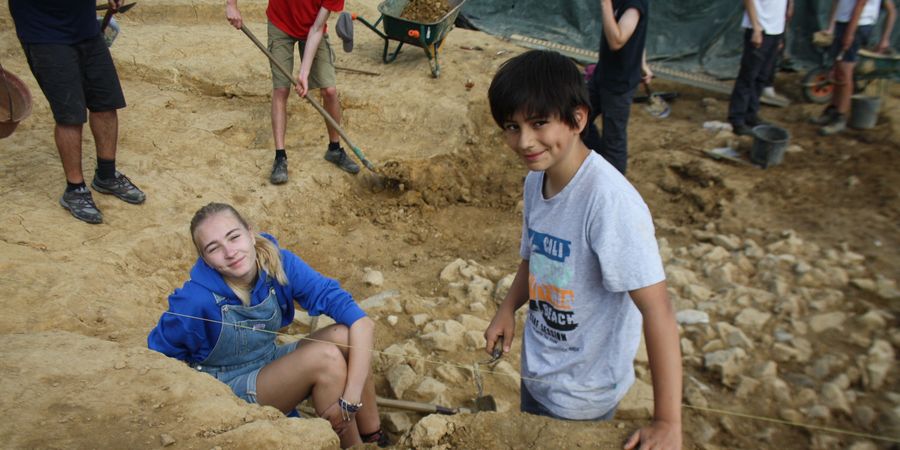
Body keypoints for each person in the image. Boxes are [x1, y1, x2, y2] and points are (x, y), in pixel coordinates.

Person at [484, 50, 682, 449]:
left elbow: (656, 308)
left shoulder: (609, 202)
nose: (524, 141)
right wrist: (508, 308)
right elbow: (534, 257)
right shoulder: (535, 181)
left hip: (582, 393)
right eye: (511, 126)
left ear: (578, 118)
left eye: (539, 123)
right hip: (539, 370)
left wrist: (667, 421)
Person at [147, 203, 388, 448]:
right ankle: (354, 445)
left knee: (345, 336)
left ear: (250, 234)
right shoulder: (194, 301)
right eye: (214, 248)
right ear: (206, 260)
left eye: (234, 237)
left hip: (268, 360)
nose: (230, 252)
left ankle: (374, 435)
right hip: (228, 387)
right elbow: (156, 359)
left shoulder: (277, 263)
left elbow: (361, 323)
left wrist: (350, 398)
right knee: (326, 360)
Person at [8, 0, 146, 224]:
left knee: (106, 103)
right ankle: (75, 189)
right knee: (70, 115)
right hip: (44, 34)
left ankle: (107, 174)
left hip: (86, 29)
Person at [225, 0, 360, 184]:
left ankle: (334, 149)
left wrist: (304, 73)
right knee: (281, 89)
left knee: (329, 90)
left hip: (312, 28)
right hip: (280, 23)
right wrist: (231, 5)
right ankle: (280, 157)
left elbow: (317, 28)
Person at [583, 0, 652, 175]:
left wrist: (605, 4)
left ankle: (613, 185)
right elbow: (636, 34)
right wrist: (642, 64)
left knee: (613, 141)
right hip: (602, 74)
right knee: (576, 116)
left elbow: (617, 40)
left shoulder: (634, 4)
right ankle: (596, 161)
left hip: (619, 84)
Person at [812, 0, 896, 135]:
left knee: (845, 71)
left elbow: (861, 4)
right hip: (843, 23)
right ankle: (833, 110)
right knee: (839, 70)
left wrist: (850, 33)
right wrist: (832, 26)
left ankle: (840, 117)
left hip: (857, 26)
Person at [727, 0, 790, 136]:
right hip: (760, 30)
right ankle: (737, 119)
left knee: (762, 76)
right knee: (748, 77)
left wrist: (781, 33)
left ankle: (751, 115)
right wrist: (756, 28)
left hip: (776, 31)